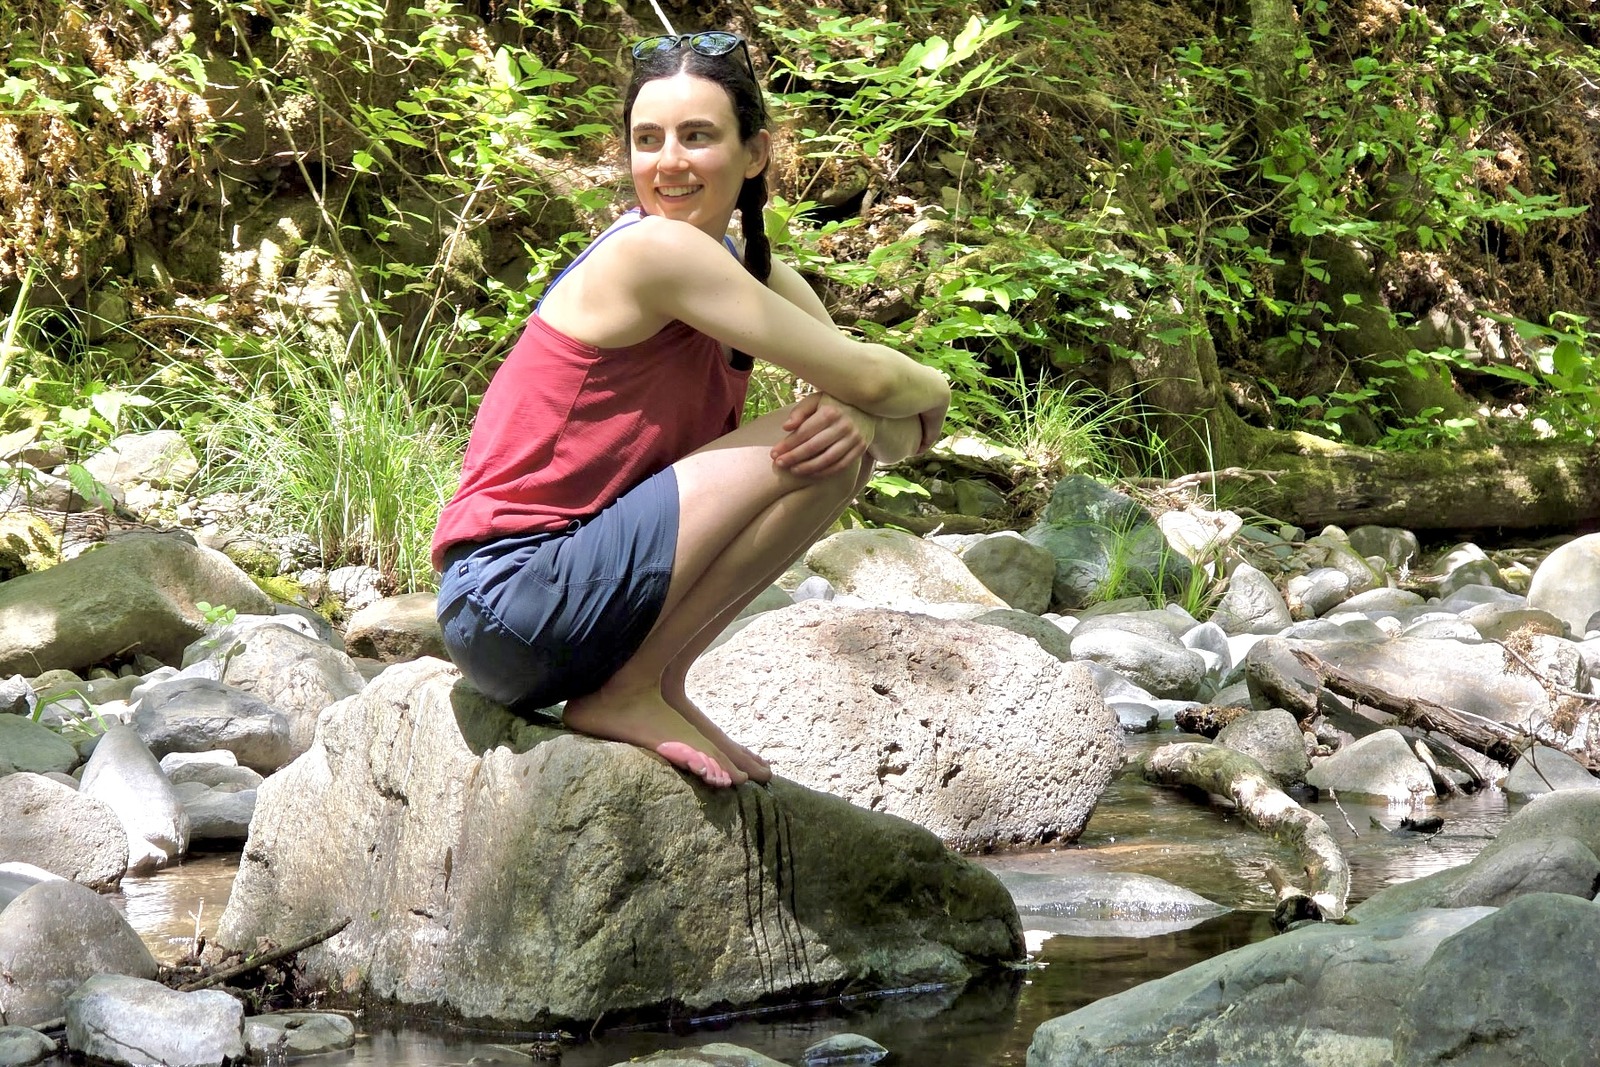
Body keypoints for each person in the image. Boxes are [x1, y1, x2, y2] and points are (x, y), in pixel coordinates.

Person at [431, 30, 951, 789]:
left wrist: (871, 414)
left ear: (755, 154)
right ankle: (631, 688)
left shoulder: (763, 279)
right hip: (509, 595)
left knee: (836, 446)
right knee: (824, 440)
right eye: (648, 140)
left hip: (562, 608)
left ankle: (660, 682)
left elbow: (887, 425)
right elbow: (885, 391)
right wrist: (924, 388)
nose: (668, 161)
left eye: (697, 136)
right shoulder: (653, 254)